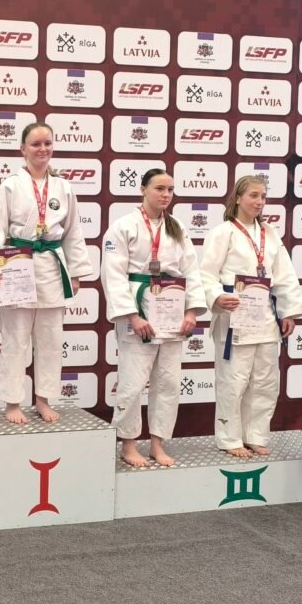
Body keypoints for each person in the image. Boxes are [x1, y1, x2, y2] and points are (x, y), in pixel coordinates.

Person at [0, 122, 92, 424]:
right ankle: (12, 402)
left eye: (47, 143)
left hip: (51, 265)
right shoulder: (9, 185)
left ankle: (44, 399)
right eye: (36, 144)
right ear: (23, 149)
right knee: (15, 338)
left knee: (51, 339)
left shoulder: (63, 187)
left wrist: (76, 271)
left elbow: (73, 232)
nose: (43, 149)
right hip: (17, 263)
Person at [102, 168, 206, 466]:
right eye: (160, 188)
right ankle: (129, 444)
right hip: (139, 308)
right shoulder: (124, 226)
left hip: (171, 308)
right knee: (133, 382)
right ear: (143, 190)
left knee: (168, 382)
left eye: (170, 189)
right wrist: (132, 316)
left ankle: (157, 444)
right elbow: (113, 274)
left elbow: (191, 270)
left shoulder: (177, 227)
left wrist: (191, 311)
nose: (166, 194)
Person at [199, 176, 302, 458]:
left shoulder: (269, 233)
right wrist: (216, 297)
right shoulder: (223, 232)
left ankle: (255, 435)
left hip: (265, 317)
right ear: (238, 198)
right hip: (234, 317)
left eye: (263, 196)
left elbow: (284, 274)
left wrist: (288, 311)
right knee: (233, 381)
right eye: (253, 196)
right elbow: (205, 273)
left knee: (265, 381)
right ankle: (230, 438)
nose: (259, 202)